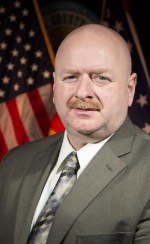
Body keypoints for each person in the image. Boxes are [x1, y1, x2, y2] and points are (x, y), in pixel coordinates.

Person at [0, 23, 150, 244]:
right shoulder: (14, 163)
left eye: (101, 78)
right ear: (55, 86)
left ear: (129, 89)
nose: (82, 92)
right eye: (71, 77)